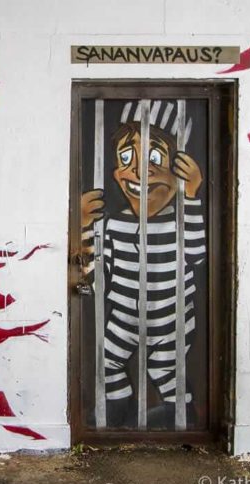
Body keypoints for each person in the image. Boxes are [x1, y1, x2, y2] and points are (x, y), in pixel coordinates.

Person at [80, 100, 206, 428]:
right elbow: (95, 279)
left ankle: (180, 416)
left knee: (164, 368)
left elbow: (196, 254)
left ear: (179, 170)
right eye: (126, 157)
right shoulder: (114, 225)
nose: (138, 171)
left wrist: (192, 197)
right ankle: (119, 407)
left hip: (171, 317)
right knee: (107, 364)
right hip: (123, 315)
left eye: (154, 158)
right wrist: (83, 227)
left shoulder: (181, 222)